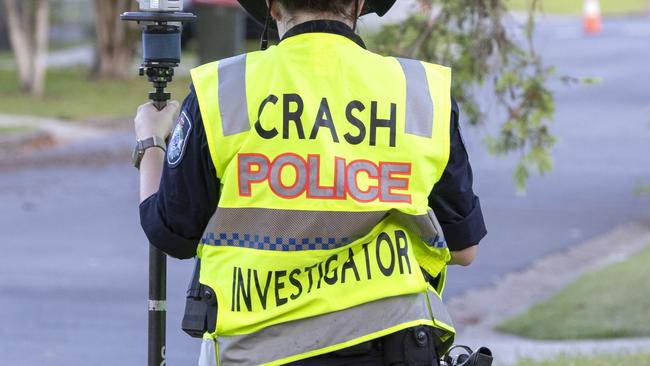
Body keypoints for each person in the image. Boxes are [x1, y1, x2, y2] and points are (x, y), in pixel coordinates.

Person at [134, 0, 487, 365]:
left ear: (271, 7)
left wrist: (152, 143)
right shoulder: (420, 92)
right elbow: (463, 249)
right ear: (360, 4)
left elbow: (171, 233)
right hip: (393, 347)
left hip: (259, 352)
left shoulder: (222, 90)